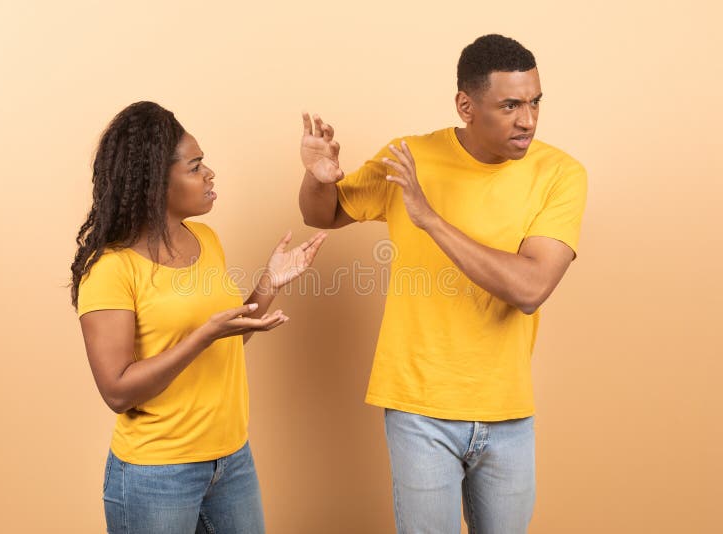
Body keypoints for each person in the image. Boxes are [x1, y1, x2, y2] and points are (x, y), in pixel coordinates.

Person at [298, 34, 587, 533]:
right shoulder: (410, 156)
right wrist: (319, 178)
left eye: (536, 102)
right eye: (511, 105)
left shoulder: (560, 173)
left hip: (507, 411)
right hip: (418, 409)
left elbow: (530, 287)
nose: (529, 120)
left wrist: (428, 218)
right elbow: (324, 214)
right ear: (465, 105)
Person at [70, 101, 326, 534]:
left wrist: (269, 282)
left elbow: (226, 334)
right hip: (158, 473)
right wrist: (201, 337)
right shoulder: (111, 269)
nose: (210, 175)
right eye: (195, 167)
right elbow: (116, 391)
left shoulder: (205, 238)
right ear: (156, 184)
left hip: (231, 460)